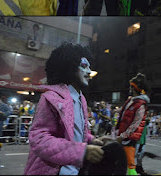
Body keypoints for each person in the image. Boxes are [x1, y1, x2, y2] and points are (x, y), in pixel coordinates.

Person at [24, 42, 112, 175]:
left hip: (76, 169)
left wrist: (91, 140)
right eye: (84, 66)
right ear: (68, 68)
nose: (89, 71)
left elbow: (73, 132)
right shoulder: (51, 98)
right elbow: (38, 138)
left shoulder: (81, 98)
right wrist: (81, 151)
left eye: (89, 67)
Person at [116, 73, 150, 175]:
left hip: (129, 138)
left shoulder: (140, 104)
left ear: (134, 87)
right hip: (123, 136)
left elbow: (135, 124)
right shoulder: (130, 100)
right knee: (122, 163)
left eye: (130, 86)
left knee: (130, 165)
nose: (129, 88)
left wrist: (123, 136)